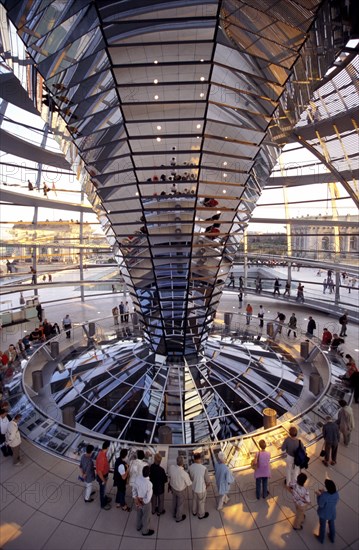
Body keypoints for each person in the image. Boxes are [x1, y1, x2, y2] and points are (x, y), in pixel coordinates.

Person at [168, 455, 192, 522]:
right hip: (180, 490)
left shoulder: (171, 467)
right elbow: (189, 483)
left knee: (174, 501)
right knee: (180, 504)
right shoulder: (184, 473)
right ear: (183, 463)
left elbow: (169, 475)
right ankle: (178, 517)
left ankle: (173, 513)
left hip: (173, 488)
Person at [132, 465, 154, 536]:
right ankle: (145, 531)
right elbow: (148, 498)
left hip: (137, 500)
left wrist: (136, 499)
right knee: (146, 517)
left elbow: (134, 489)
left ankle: (138, 526)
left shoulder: (137, 479)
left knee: (139, 514)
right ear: (149, 473)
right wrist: (142, 501)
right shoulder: (149, 484)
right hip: (145, 503)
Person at [315, 479, 339, 544]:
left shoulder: (324, 496)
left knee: (322, 525)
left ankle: (321, 538)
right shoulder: (336, 494)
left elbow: (320, 504)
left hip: (324, 513)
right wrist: (323, 493)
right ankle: (332, 537)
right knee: (332, 524)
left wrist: (318, 495)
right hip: (332, 512)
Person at [189, 452, 210, 520]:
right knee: (201, 502)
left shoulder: (190, 467)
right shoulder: (204, 468)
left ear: (194, 459)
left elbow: (191, 478)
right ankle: (201, 515)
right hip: (201, 489)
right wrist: (207, 485)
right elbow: (207, 480)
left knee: (194, 500)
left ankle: (194, 512)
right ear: (200, 458)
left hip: (194, 488)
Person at [95, 440, 112, 510]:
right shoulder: (102, 457)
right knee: (102, 491)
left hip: (104, 475)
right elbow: (99, 472)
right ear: (107, 447)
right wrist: (104, 480)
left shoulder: (102, 453)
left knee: (104, 489)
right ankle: (103, 504)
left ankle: (105, 497)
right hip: (102, 477)